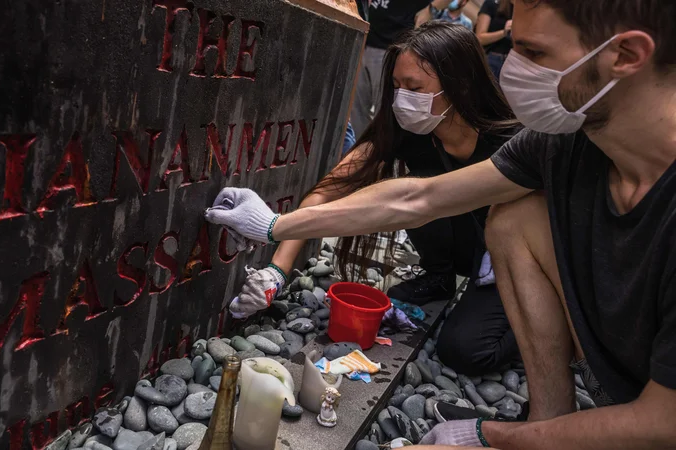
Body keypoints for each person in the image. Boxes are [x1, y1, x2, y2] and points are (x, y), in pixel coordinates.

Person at [206, 0, 676, 448]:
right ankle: (546, 417)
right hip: (611, 365)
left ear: (626, 55)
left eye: (534, 54)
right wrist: (274, 228)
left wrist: (493, 437)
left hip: (651, 409)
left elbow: (661, 425)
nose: (515, 70)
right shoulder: (558, 144)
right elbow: (420, 197)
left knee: (469, 341)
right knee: (514, 219)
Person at [222, 21, 521, 376]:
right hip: (459, 240)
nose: (403, 98)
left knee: (464, 351)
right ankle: (440, 274)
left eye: (415, 87)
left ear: (461, 82)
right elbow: (328, 191)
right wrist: (276, 272)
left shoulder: (511, 140)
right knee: (421, 180)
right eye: (396, 85)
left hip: (508, 260)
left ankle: (549, 327)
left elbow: (416, 201)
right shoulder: (408, 131)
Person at [350, 0, 431, 137]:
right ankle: (360, 148)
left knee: (383, 110)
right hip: (365, 39)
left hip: (391, 47)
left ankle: (379, 150)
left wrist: (431, 8)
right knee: (355, 108)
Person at [476, 0, 514, 80]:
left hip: (510, 65)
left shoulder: (524, 14)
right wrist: (504, 33)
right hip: (489, 58)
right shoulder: (492, 4)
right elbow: (479, 38)